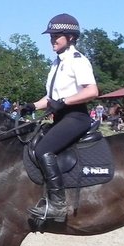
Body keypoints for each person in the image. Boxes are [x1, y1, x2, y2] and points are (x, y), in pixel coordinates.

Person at [18, 13, 99, 222]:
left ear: (70, 37)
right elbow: (50, 98)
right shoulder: (56, 63)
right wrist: (31, 106)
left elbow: (91, 91)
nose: (52, 39)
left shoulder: (78, 61)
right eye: (51, 35)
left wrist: (64, 101)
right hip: (60, 117)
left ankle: (57, 204)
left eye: (57, 35)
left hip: (76, 117)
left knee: (44, 148)